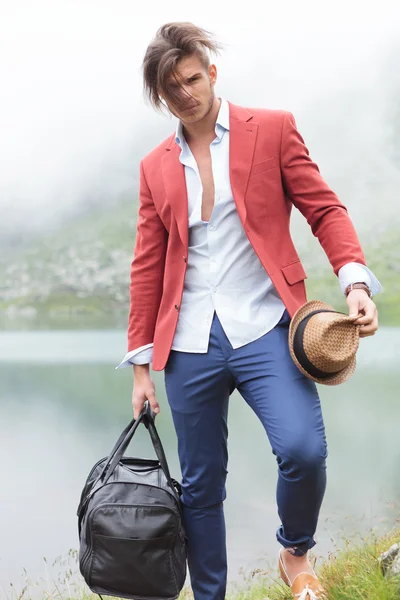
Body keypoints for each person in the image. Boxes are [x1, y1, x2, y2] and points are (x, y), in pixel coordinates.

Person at [118, 22, 381, 600]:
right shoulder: (154, 167)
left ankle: (295, 551)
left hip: (267, 327)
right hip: (188, 342)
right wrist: (141, 367)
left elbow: (324, 209)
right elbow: (147, 266)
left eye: (193, 79)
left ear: (211, 72)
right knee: (202, 487)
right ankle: (211, 594)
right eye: (172, 89)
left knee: (303, 450)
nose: (187, 94)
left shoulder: (274, 129)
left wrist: (354, 279)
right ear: (161, 98)